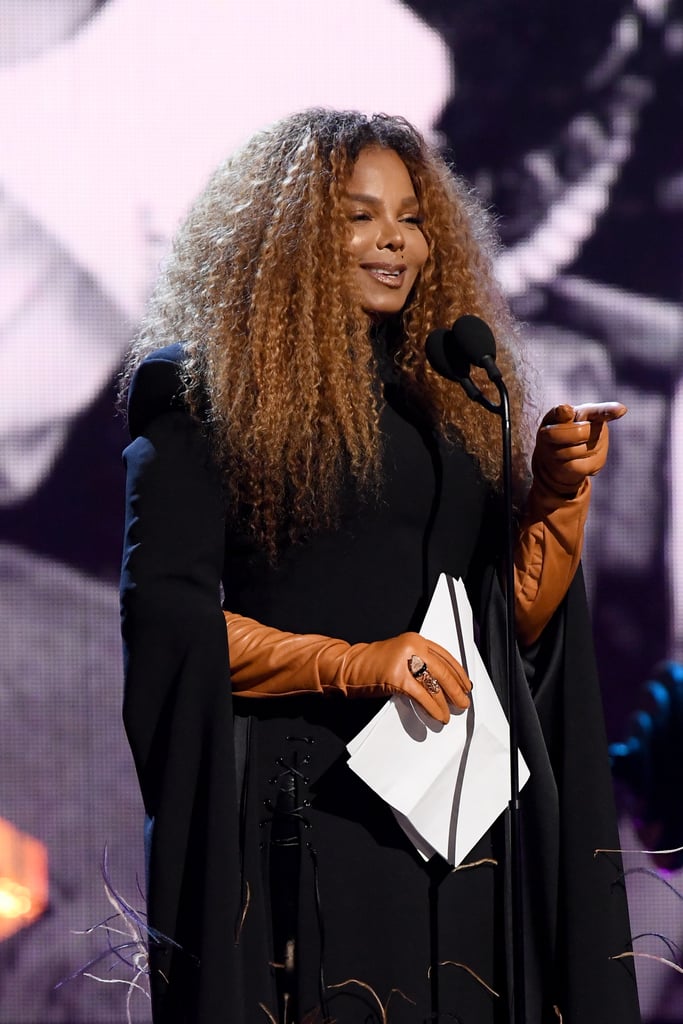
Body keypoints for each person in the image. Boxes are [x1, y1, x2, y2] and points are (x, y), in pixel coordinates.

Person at [119, 109, 640, 1023]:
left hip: (458, 827)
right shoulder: (202, 396)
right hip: (307, 817)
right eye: (359, 216)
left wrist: (555, 498)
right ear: (287, 234)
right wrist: (353, 661)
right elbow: (170, 624)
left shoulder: (449, 403)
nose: (394, 239)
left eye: (409, 215)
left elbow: (504, 629)